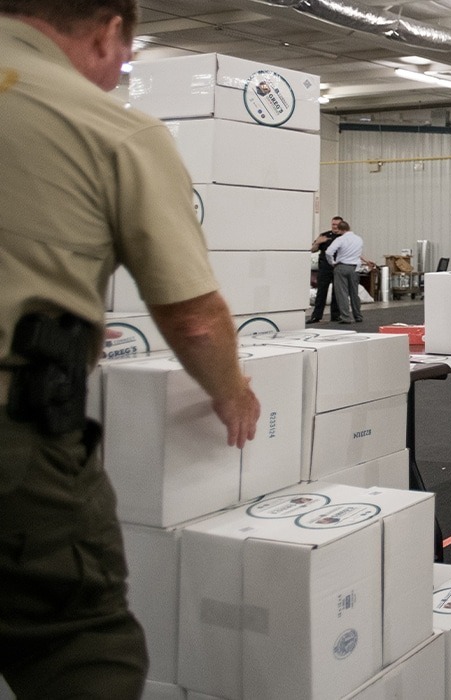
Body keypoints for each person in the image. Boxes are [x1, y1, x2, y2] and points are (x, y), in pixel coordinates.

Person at [0, 1, 262, 695]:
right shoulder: (111, 129)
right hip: (17, 446)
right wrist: (232, 390)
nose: (123, 70)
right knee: (81, 649)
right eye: (126, 53)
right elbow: (194, 318)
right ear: (109, 28)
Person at [324, 219, 364, 324]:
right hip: (355, 268)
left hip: (341, 267)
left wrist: (332, 262)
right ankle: (358, 315)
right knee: (354, 293)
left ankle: (346, 317)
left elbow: (328, 252)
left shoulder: (340, 240)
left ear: (341, 230)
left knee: (342, 293)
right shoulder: (359, 239)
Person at [308, 216, 344, 323]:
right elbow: (312, 250)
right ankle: (316, 316)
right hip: (325, 267)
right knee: (321, 292)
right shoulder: (325, 235)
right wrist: (318, 242)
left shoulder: (344, 237)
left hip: (338, 267)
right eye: (333, 224)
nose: (335, 227)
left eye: (337, 225)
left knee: (337, 292)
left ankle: (336, 315)